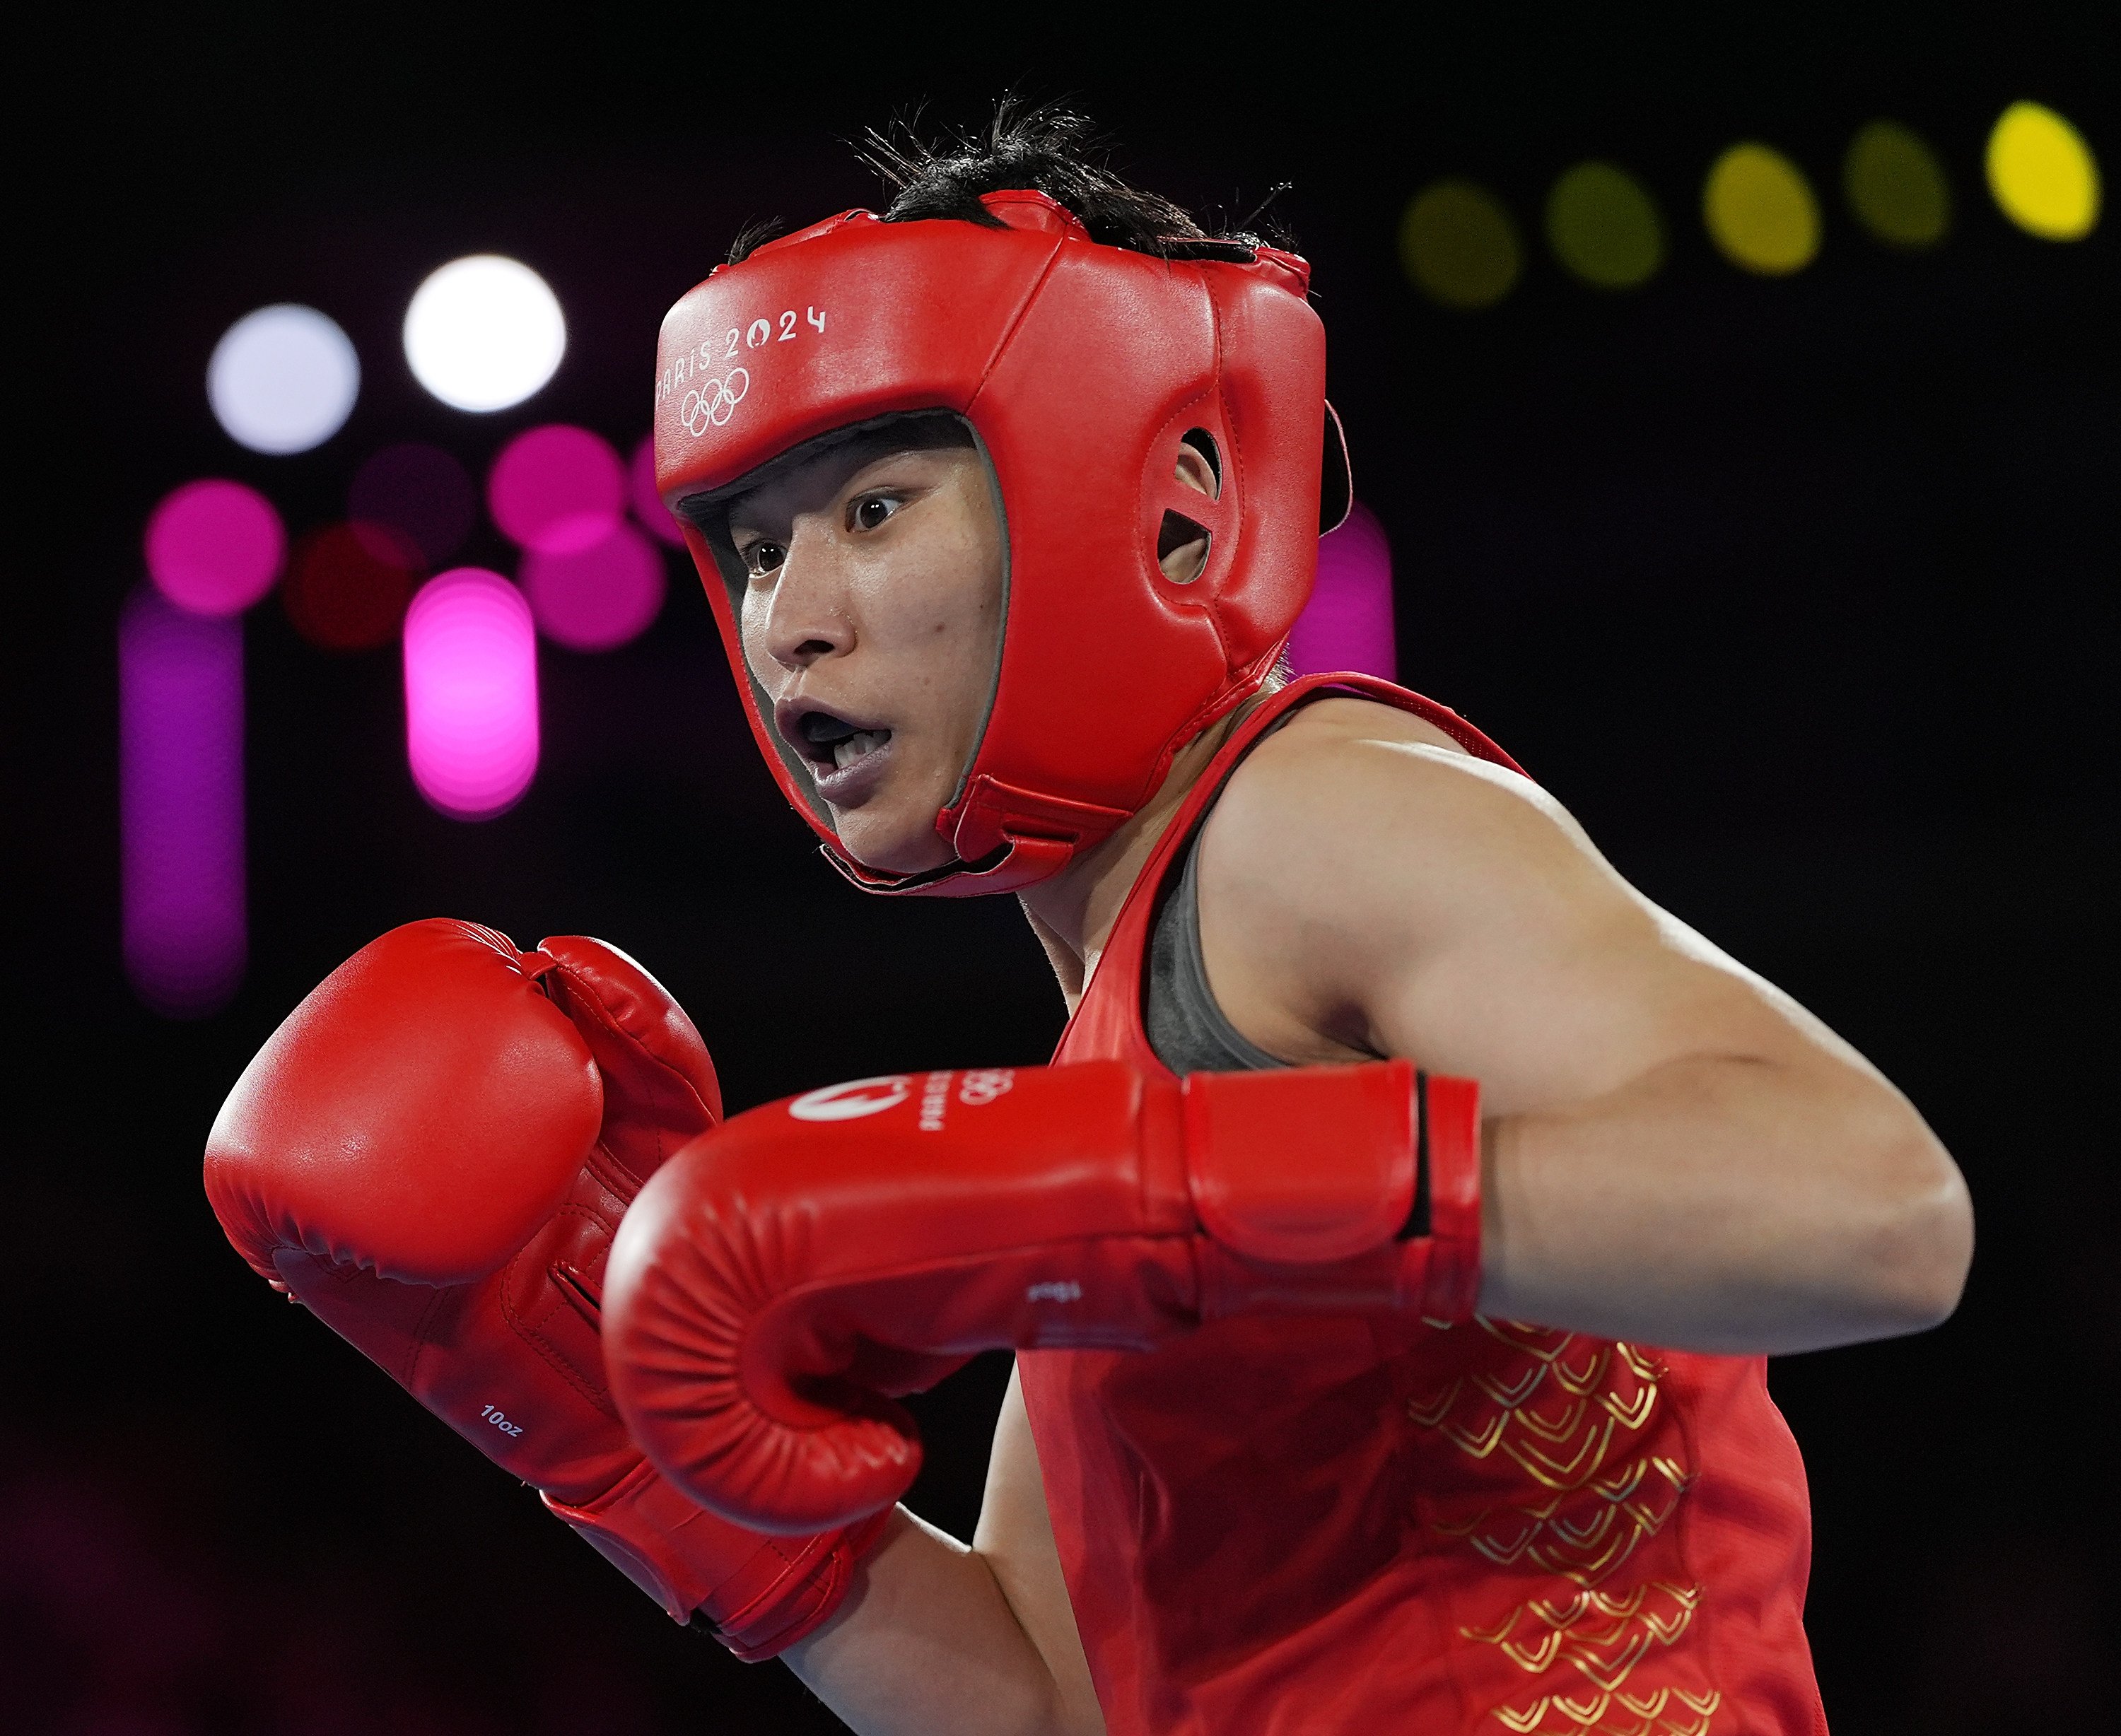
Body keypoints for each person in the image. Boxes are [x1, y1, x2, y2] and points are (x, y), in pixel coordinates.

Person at [207, 109, 1973, 1736]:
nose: (789, 620)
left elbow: (1876, 1212)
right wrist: (616, 1435)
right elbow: (1057, 1711)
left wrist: (1151, 1192)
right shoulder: (1103, 1066)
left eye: (872, 509)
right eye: (750, 548)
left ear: (1176, 507)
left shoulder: (1317, 806)